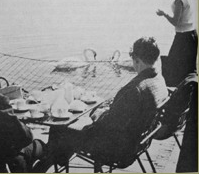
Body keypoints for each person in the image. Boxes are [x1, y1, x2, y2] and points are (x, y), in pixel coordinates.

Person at [45, 37, 169, 168]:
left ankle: (48, 162)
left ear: (137, 60)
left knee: (58, 128)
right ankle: (55, 157)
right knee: (68, 134)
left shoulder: (135, 89)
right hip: (138, 142)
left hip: (116, 149)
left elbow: (106, 124)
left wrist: (97, 113)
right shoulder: (159, 80)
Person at [156, 0, 198, 87]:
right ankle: (191, 92)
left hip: (183, 37)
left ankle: (174, 94)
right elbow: (178, 0)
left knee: (172, 66)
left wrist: (164, 14)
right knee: (189, 67)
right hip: (192, 35)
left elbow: (175, 22)